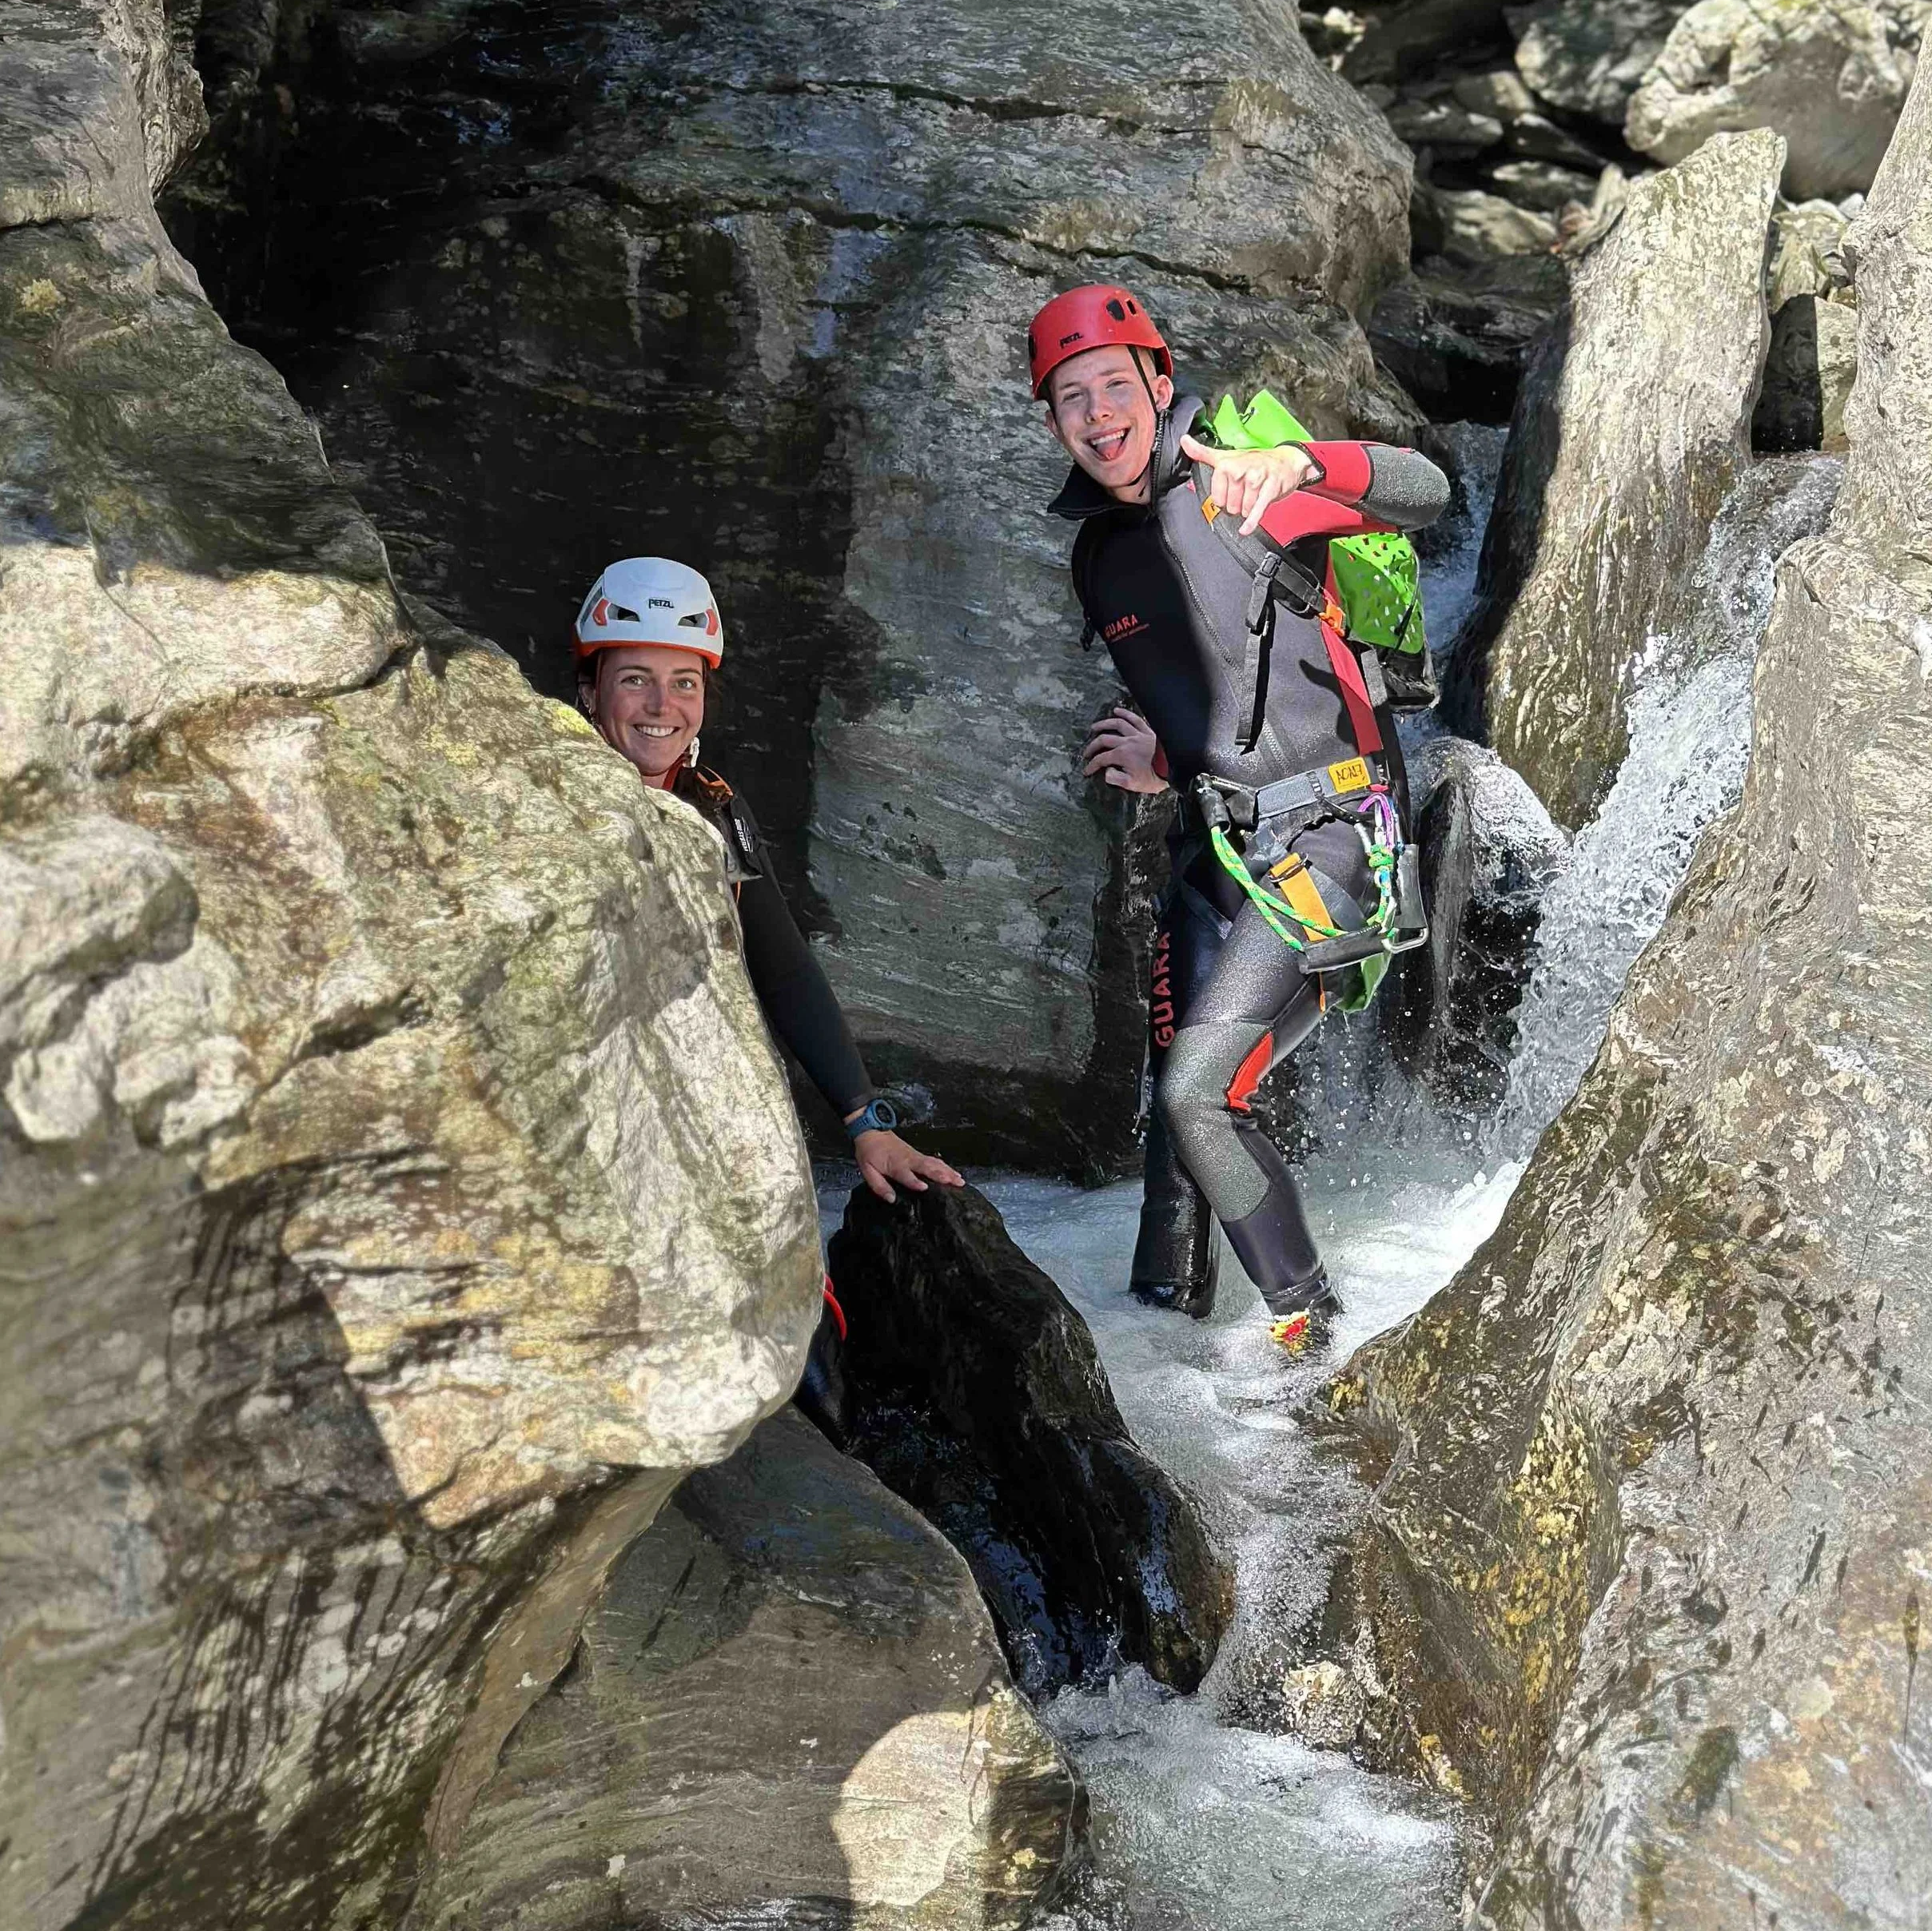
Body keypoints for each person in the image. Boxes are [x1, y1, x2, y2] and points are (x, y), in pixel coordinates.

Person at [1036, 285, 1450, 1352]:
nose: (1097, 413)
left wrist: (1305, 465)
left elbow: (1427, 491)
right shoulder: (1099, 557)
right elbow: (1219, 694)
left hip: (1333, 836)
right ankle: (1157, 1343)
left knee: (1200, 1093)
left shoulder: (1245, 485)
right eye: (1071, 397)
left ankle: (1313, 1338)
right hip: (1218, 844)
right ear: (1053, 420)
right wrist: (1166, 762)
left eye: (1114, 385)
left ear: (1159, 384)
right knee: (1174, 1113)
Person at [572, 556, 962, 1208]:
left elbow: (783, 967)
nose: (662, 706)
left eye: (684, 682)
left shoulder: (714, 808)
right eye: (635, 679)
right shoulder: (545, 798)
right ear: (590, 691)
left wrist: (866, 1122)